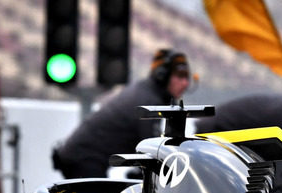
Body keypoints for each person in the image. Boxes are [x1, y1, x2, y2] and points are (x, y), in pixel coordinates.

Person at [52, 49, 192, 179]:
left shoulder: (146, 93)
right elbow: (154, 150)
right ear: (162, 76)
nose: (185, 83)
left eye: (187, 78)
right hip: (83, 160)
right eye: (180, 77)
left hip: (82, 159)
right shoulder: (148, 101)